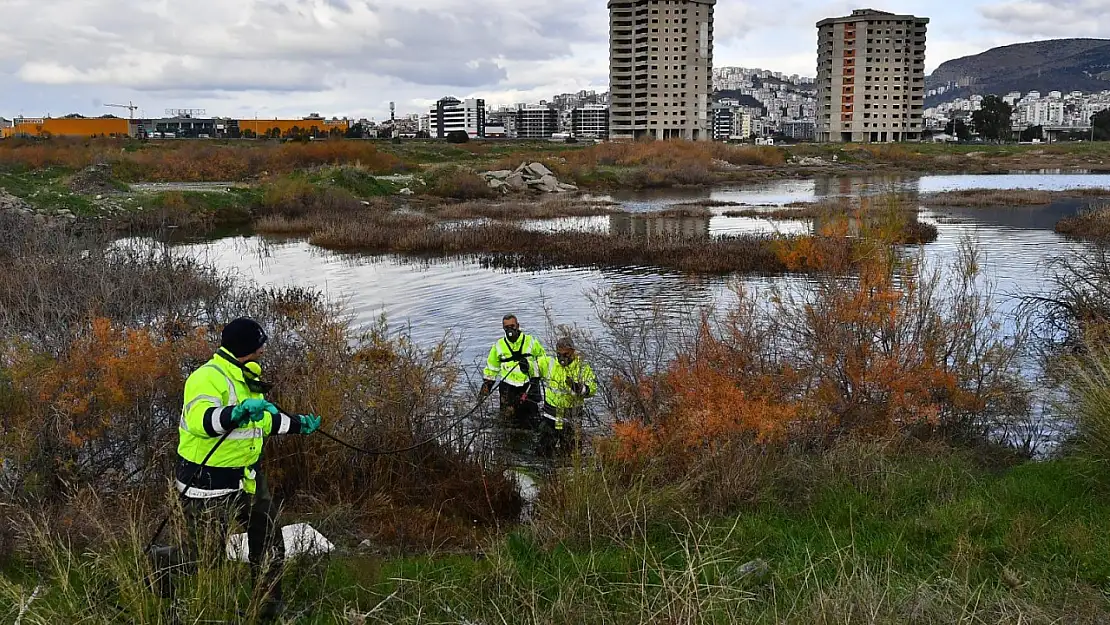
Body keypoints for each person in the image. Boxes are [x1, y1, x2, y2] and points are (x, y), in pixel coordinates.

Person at [176, 317, 321, 620]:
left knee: (268, 543)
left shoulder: (247, 377)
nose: (263, 351)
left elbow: (262, 421)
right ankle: (183, 596)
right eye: (260, 346)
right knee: (205, 558)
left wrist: (297, 424)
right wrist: (236, 413)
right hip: (206, 483)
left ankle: (268, 610)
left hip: (248, 479)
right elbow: (202, 421)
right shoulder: (205, 378)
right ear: (246, 348)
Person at [535, 337, 597, 457]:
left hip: (572, 420)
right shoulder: (549, 363)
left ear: (573, 352)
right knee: (542, 453)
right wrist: (525, 365)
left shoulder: (582, 368)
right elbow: (533, 366)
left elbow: (592, 389)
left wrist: (579, 388)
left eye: (566, 354)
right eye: (559, 354)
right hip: (551, 418)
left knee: (571, 454)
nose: (562, 358)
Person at [481, 314, 546, 427]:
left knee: (532, 421)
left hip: (529, 385)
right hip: (508, 387)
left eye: (512, 326)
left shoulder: (531, 341)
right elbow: (492, 368)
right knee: (507, 421)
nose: (510, 330)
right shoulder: (499, 346)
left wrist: (530, 366)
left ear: (518, 326)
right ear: (503, 328)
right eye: (507, 327)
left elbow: (543, 361)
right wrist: (486, 388)